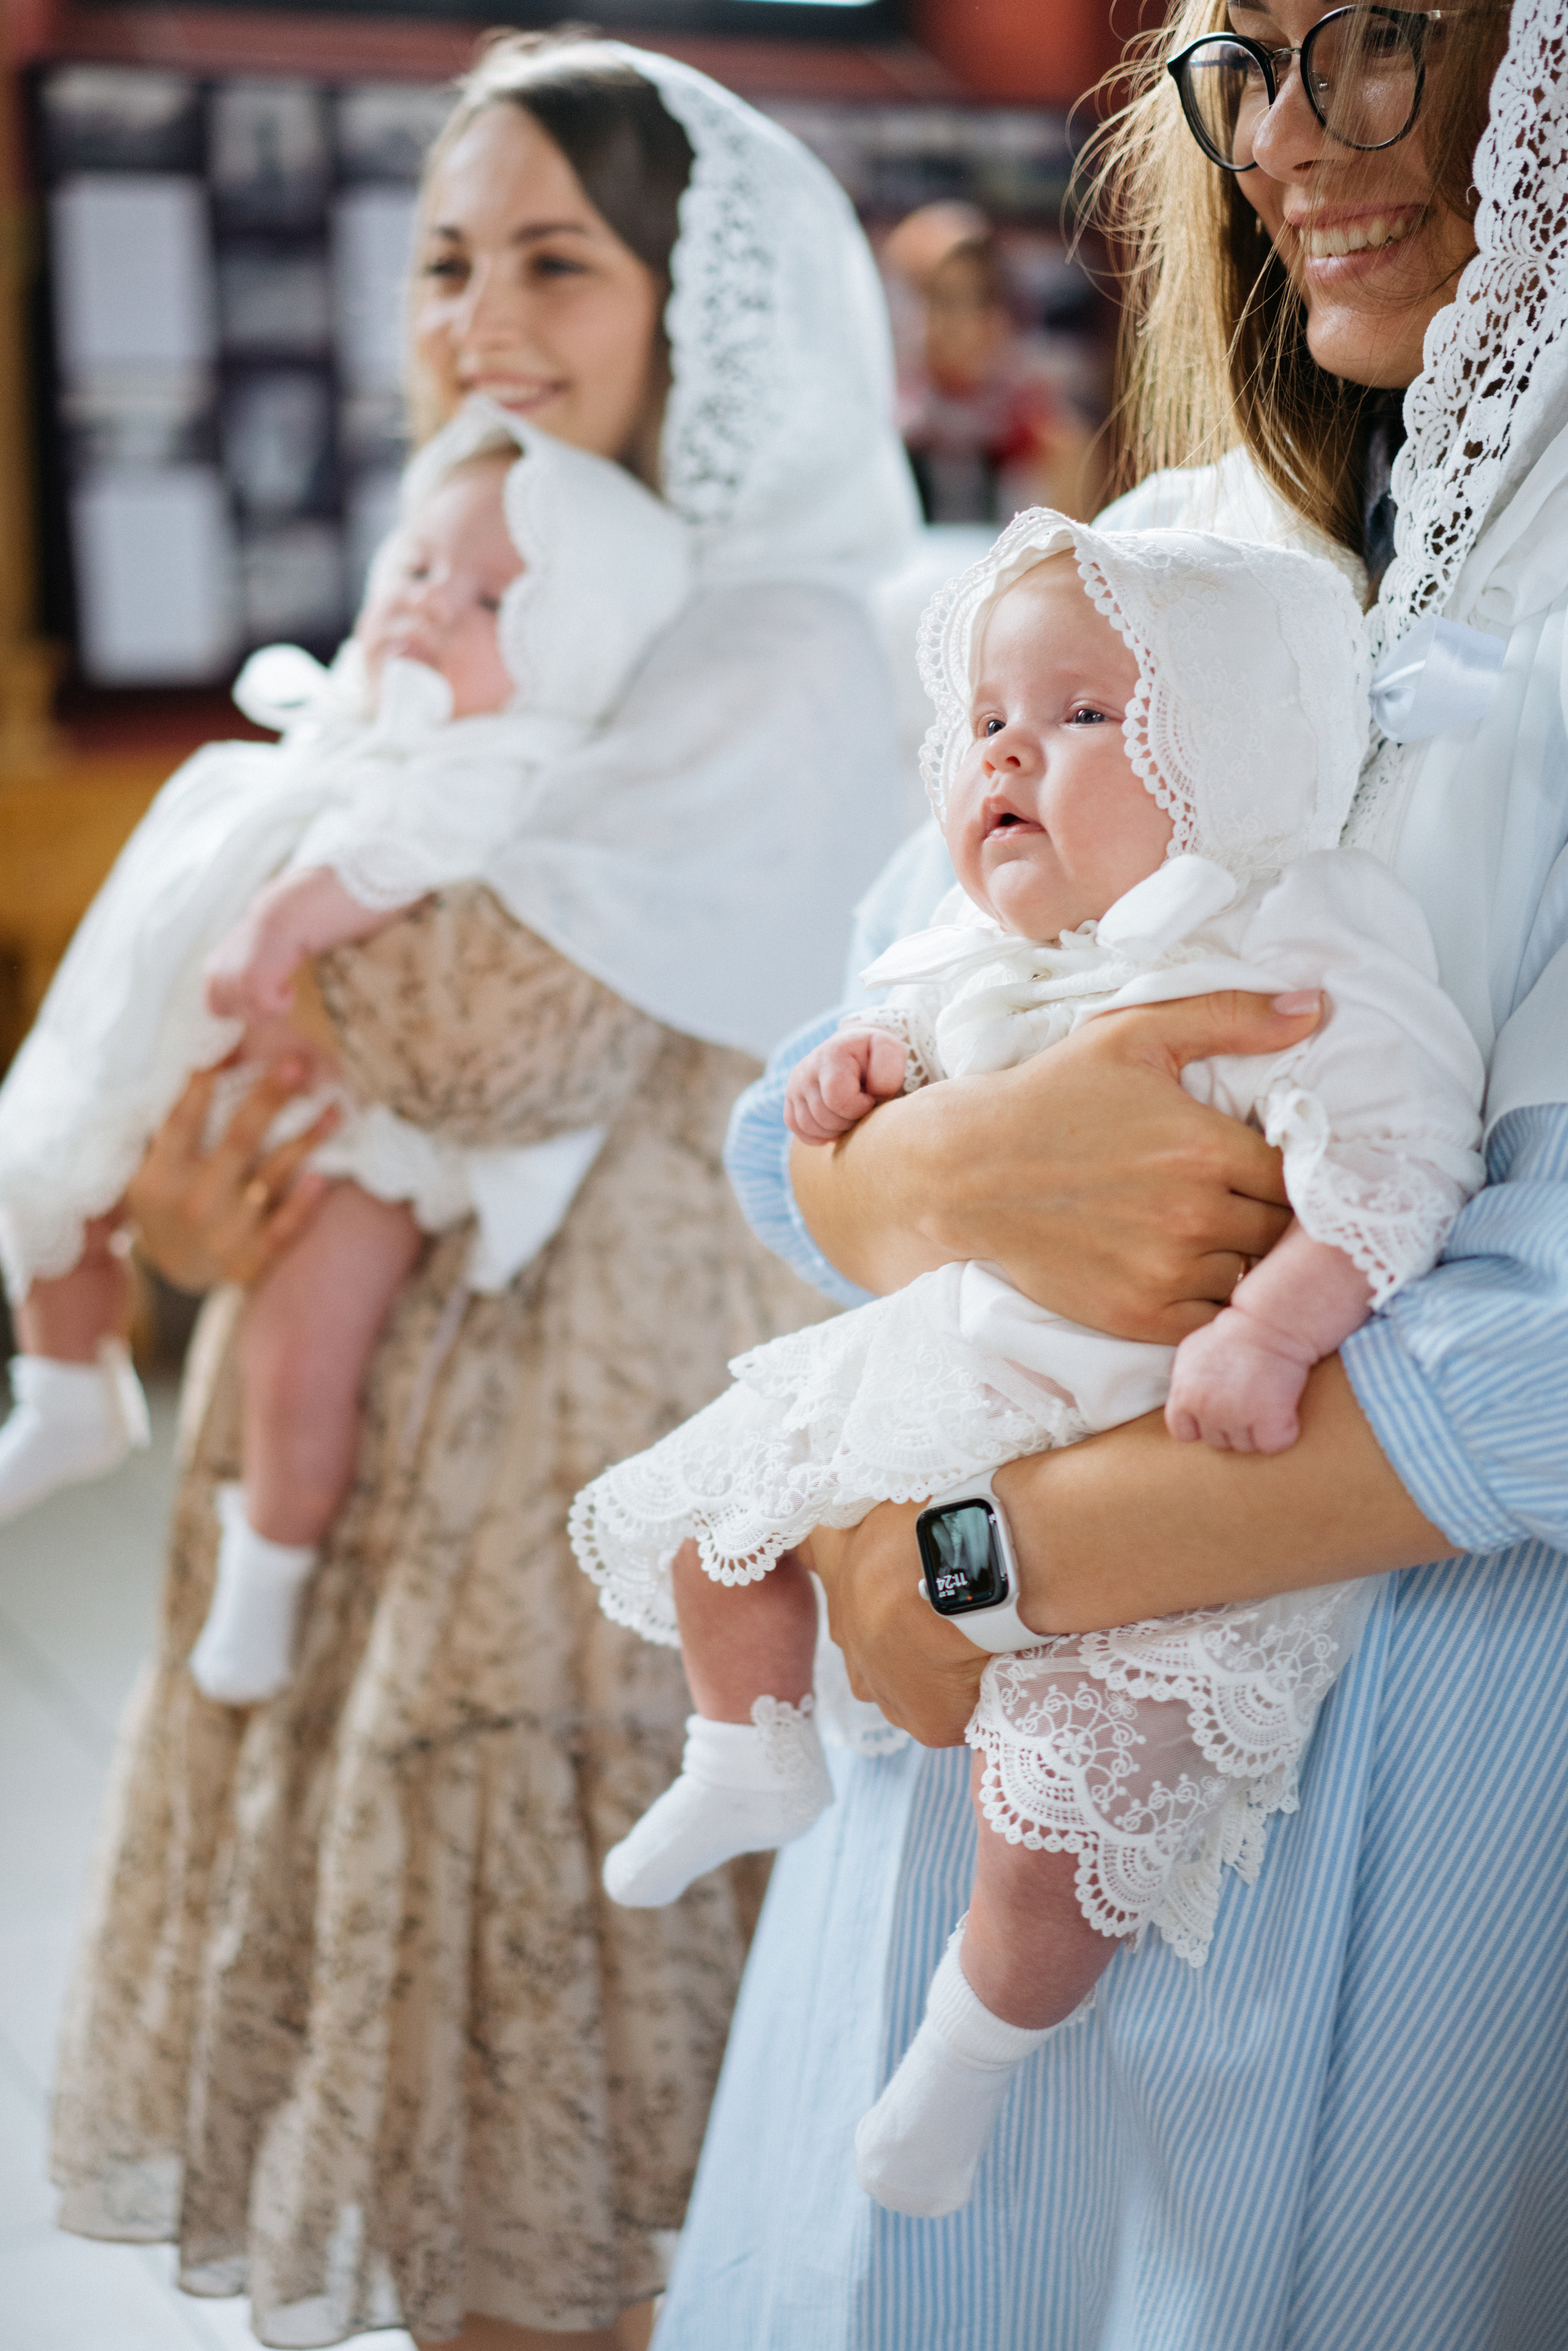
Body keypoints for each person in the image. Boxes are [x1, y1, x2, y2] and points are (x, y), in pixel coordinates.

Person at [657, 4, 1568, 2346]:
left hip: (1385, 1764)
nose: (1284, 137)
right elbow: (799, 1127)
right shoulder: (1172, 553)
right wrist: (969, 1162)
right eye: (1243, 52)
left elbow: (1542, 1361)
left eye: (1386, 35)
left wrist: (951, 1564)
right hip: (938, 1712)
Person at [48, 35, 918, 2351]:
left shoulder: (778, 646)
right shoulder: (496, 573)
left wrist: (264, 988)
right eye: (446, 260)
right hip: (353, 1443)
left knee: (579, 2220)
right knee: (432, 2178)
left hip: (589, 1501)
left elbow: (455, 1026)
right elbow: (271, 1033)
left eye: (561, 256)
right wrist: (200, 1186)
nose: (485, 317)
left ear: (700, 308)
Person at [570, 513, 1483, 2219]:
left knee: (1054, 1809)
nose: (1006, 748)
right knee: (718, 1512)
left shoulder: (1291, 942)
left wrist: (1275, 1322)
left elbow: (1401, 1146)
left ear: (1229, 755)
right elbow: (837, 1099)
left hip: (1157, 1445)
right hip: (950, 1382)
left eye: (1082, 717)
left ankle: (970, 2050)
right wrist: (870, 1093)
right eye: (989, 714)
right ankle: (740, 1743)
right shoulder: (986, 949)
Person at [0, 412, 690, 1714]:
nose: (433, 603)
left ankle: (271, 1561)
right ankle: (61, 1382)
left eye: (490, 598)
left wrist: (273, 922)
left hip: (360, 1136)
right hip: (194, 1057)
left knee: (302, 1352)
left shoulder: (503, 761)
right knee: (43, 1159)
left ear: (567, 653)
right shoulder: (334, 721)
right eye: (418, 567)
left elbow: (388, 859)